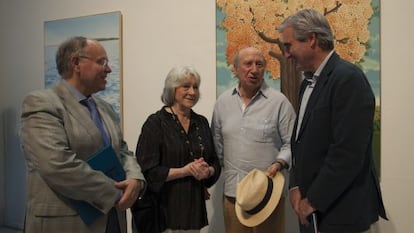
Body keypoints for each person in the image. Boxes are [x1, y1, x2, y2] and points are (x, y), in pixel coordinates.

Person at [277, 9, 387, 233]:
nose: (286, 55)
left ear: (311, 39)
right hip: (312, 212)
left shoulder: (349, 79)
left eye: (288, 46)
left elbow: (347, 153)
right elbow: (299, 140)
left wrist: (313, 201)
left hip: (340, 212)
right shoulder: (307, 83)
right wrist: (295, 185)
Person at [20, 36, 145, 233]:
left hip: (113, 220)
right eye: (101, 62)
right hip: (68, 223)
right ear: (76, 63)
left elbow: (121, 151)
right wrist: (116, 192)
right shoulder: (42, 103)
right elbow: (56, 165)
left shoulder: (105, 108)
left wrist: (135, 179)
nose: (109, 69)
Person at [211, 46, 296, 233]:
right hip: (234, 196)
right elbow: (217, 145)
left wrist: (279, 163)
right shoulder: (222, 103)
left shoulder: (279, 102)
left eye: (259, 64)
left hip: (268, 196)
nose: (254, 70)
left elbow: (292, 143)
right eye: (248, 64)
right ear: (235, 68)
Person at [133, 65, 221, 233]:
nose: (192, 92)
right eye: (186, 86)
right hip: (162, 214)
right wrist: (185, 171)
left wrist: (208, 171)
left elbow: (214, 161)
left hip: (193, 213)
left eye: (195, 87)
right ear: (172, 89)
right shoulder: (155, 123)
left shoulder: (201, 122)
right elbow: (148, 171)